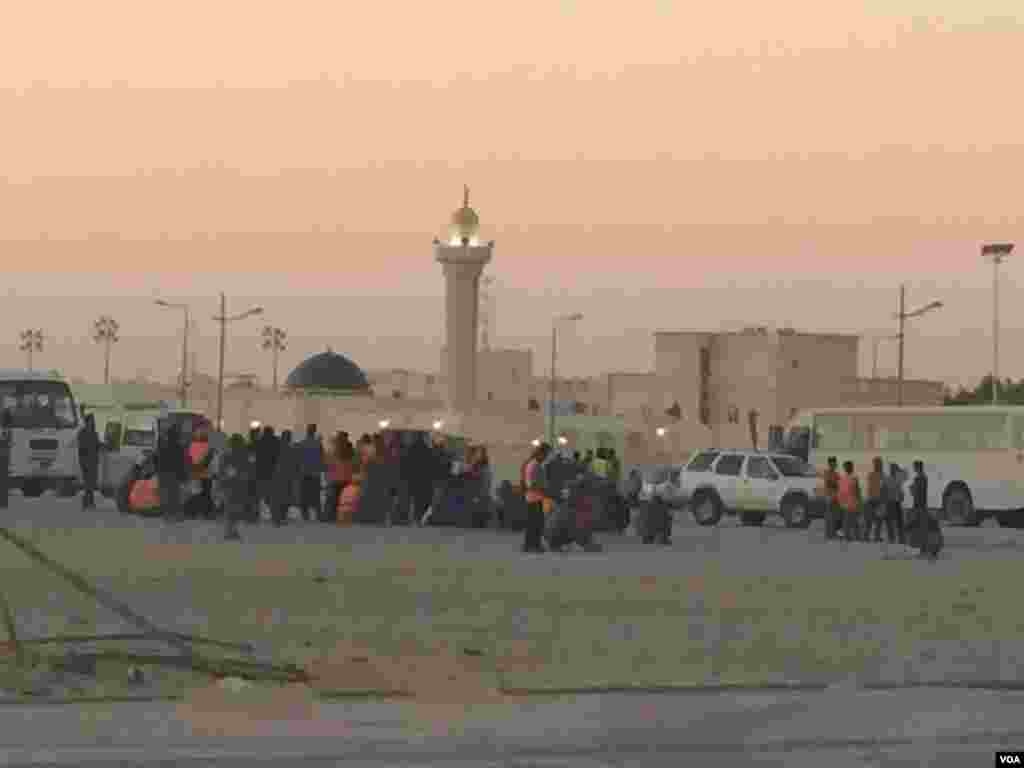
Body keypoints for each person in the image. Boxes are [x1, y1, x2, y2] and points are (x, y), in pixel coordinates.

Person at [156, 422, 188, 522]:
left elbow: (158, 459)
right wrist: (183, 476)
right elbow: (181, 463)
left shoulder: (162, 446)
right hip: (173, 475)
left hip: (163, 474)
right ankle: (175, 515)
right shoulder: (179, 447)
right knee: (174, 495)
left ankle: (167, 515)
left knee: (165, 495)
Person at [221, 433, 250, 541]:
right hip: (238, 485)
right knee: (236, 509)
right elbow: (247, 470)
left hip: (230, 485)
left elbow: (223, 471)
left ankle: (230, 530)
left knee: (231, 509)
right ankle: (231, 531)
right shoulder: (243, 455)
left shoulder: (227, 455)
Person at [522, 442, 551, 553]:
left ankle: (531, 545)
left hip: (536, 497)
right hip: (534, 497)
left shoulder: (536, 464)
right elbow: (531, 484)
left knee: (535, 523)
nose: (546, 457)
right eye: (546, 455)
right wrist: (544, 489)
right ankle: (532, 545)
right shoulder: (534, 465)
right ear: (541, 453)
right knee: (535, 524)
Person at [910, 459, 941, 559]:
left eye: (914, 467)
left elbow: (917, 493)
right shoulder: (923, 478)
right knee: (922, 530)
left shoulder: (920, 478)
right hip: (921, 506)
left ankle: (924, 551)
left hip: (919, 506)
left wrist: (912, 489)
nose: (913, 469)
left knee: (921, 530)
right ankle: (925, 550)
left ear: (917, 467)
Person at [270, 429, 299, 526]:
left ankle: (278, 518)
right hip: (285, 476)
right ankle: (281, 517)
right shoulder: (291, 449)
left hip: (278, 475)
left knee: (279, 498)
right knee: (285, 498)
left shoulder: (277, 447)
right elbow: (294, 463)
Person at [298, 424, 323, 522]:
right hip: (315, 474)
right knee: (316, 497)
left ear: (307, 431)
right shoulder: (318, 444)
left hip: (305, 473)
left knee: (304, 497)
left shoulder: (302, 444)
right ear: (314, 431)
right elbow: (321, 458)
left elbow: (299, 459)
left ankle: (305, 516)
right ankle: (318, 515)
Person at [77, 413, 101, 510]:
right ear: (87, 422)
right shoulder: (82, 433)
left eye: (93, 421)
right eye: (92, 420)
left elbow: (97, 445)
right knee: (88, 484)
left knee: (91, 483)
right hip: (86, 461)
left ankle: (89, 502)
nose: (93, 422)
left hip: (93, 461)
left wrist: (105, 445)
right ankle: (87, 503)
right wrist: (83, 462)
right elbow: (81, 449)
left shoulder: (94, 433)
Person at [837, 460, 862, 542]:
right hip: (849, 503)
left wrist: (859, 501)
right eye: (846, 467)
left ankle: (852, 537)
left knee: (852, 521)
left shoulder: (852, 478)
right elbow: (840, 491)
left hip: (851, 502)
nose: (847, 468)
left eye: (848, 467)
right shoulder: (845, 478)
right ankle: (851, 537)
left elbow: (857, 490)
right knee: (850, 521)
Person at [883, 462, 907, 545]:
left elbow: (884, 490)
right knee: (897, 522)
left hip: (893, 502)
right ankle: (898, 539)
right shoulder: (895, 479)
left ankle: (894, 538)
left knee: (893, 522)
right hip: (893, 503)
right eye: (893, 468)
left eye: (894, 468)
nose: (894, 470)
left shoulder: (891, 479)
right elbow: (885, 491)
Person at [865, 457, 885, 542]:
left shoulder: (880, 475)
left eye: (879, 463)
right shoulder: (875, 475)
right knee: (872, 520)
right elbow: (871, 488)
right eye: (877, 463)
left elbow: (883, 488)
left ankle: (874, 536)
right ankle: (868, 536)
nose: (878, 465)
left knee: (878, 520)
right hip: (873, 499)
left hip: (876, 500)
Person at [822, 456, 840, 540]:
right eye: (832, 463)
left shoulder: (836, 474)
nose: (834, 464)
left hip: (835, 497)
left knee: (834, 516)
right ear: (829, 464)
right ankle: (828, 534)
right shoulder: (827, 473)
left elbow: (838, 484)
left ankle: (832, 533)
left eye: (835, 463)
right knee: (829, 516)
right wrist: (836, 484)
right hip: (829, 496)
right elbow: (830, 483)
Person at [0, 410, 12, 509]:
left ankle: (3, 502)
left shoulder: (5, 430)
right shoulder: (8, 430)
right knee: (3, 481)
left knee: (3, 481)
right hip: (5, 456)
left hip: (3, 456)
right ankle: (3, 503)